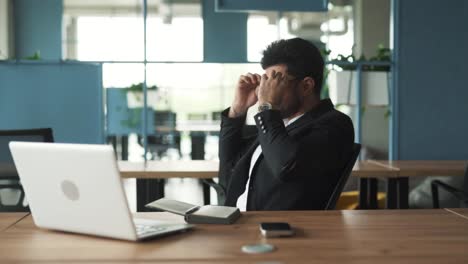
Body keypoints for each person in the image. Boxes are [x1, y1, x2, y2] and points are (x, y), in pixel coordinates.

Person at [218, 37, 355, 211]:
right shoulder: (278, 123)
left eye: (275, 82)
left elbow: (286, 166)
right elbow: (230, 166)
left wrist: (267, 108)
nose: (264, 92)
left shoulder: (335, 125)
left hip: (280, 232)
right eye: (264, 83)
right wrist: (237, 110)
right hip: (240, 223)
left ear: (306, 86)